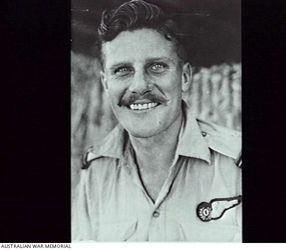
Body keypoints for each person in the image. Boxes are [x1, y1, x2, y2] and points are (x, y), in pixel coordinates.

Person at [72, 0, 242, 242]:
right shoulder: (96, 173)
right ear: (105, 83)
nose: (139, 85)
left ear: (184, 77)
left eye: (157, 67)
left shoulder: (236, 163)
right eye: (122, 70)